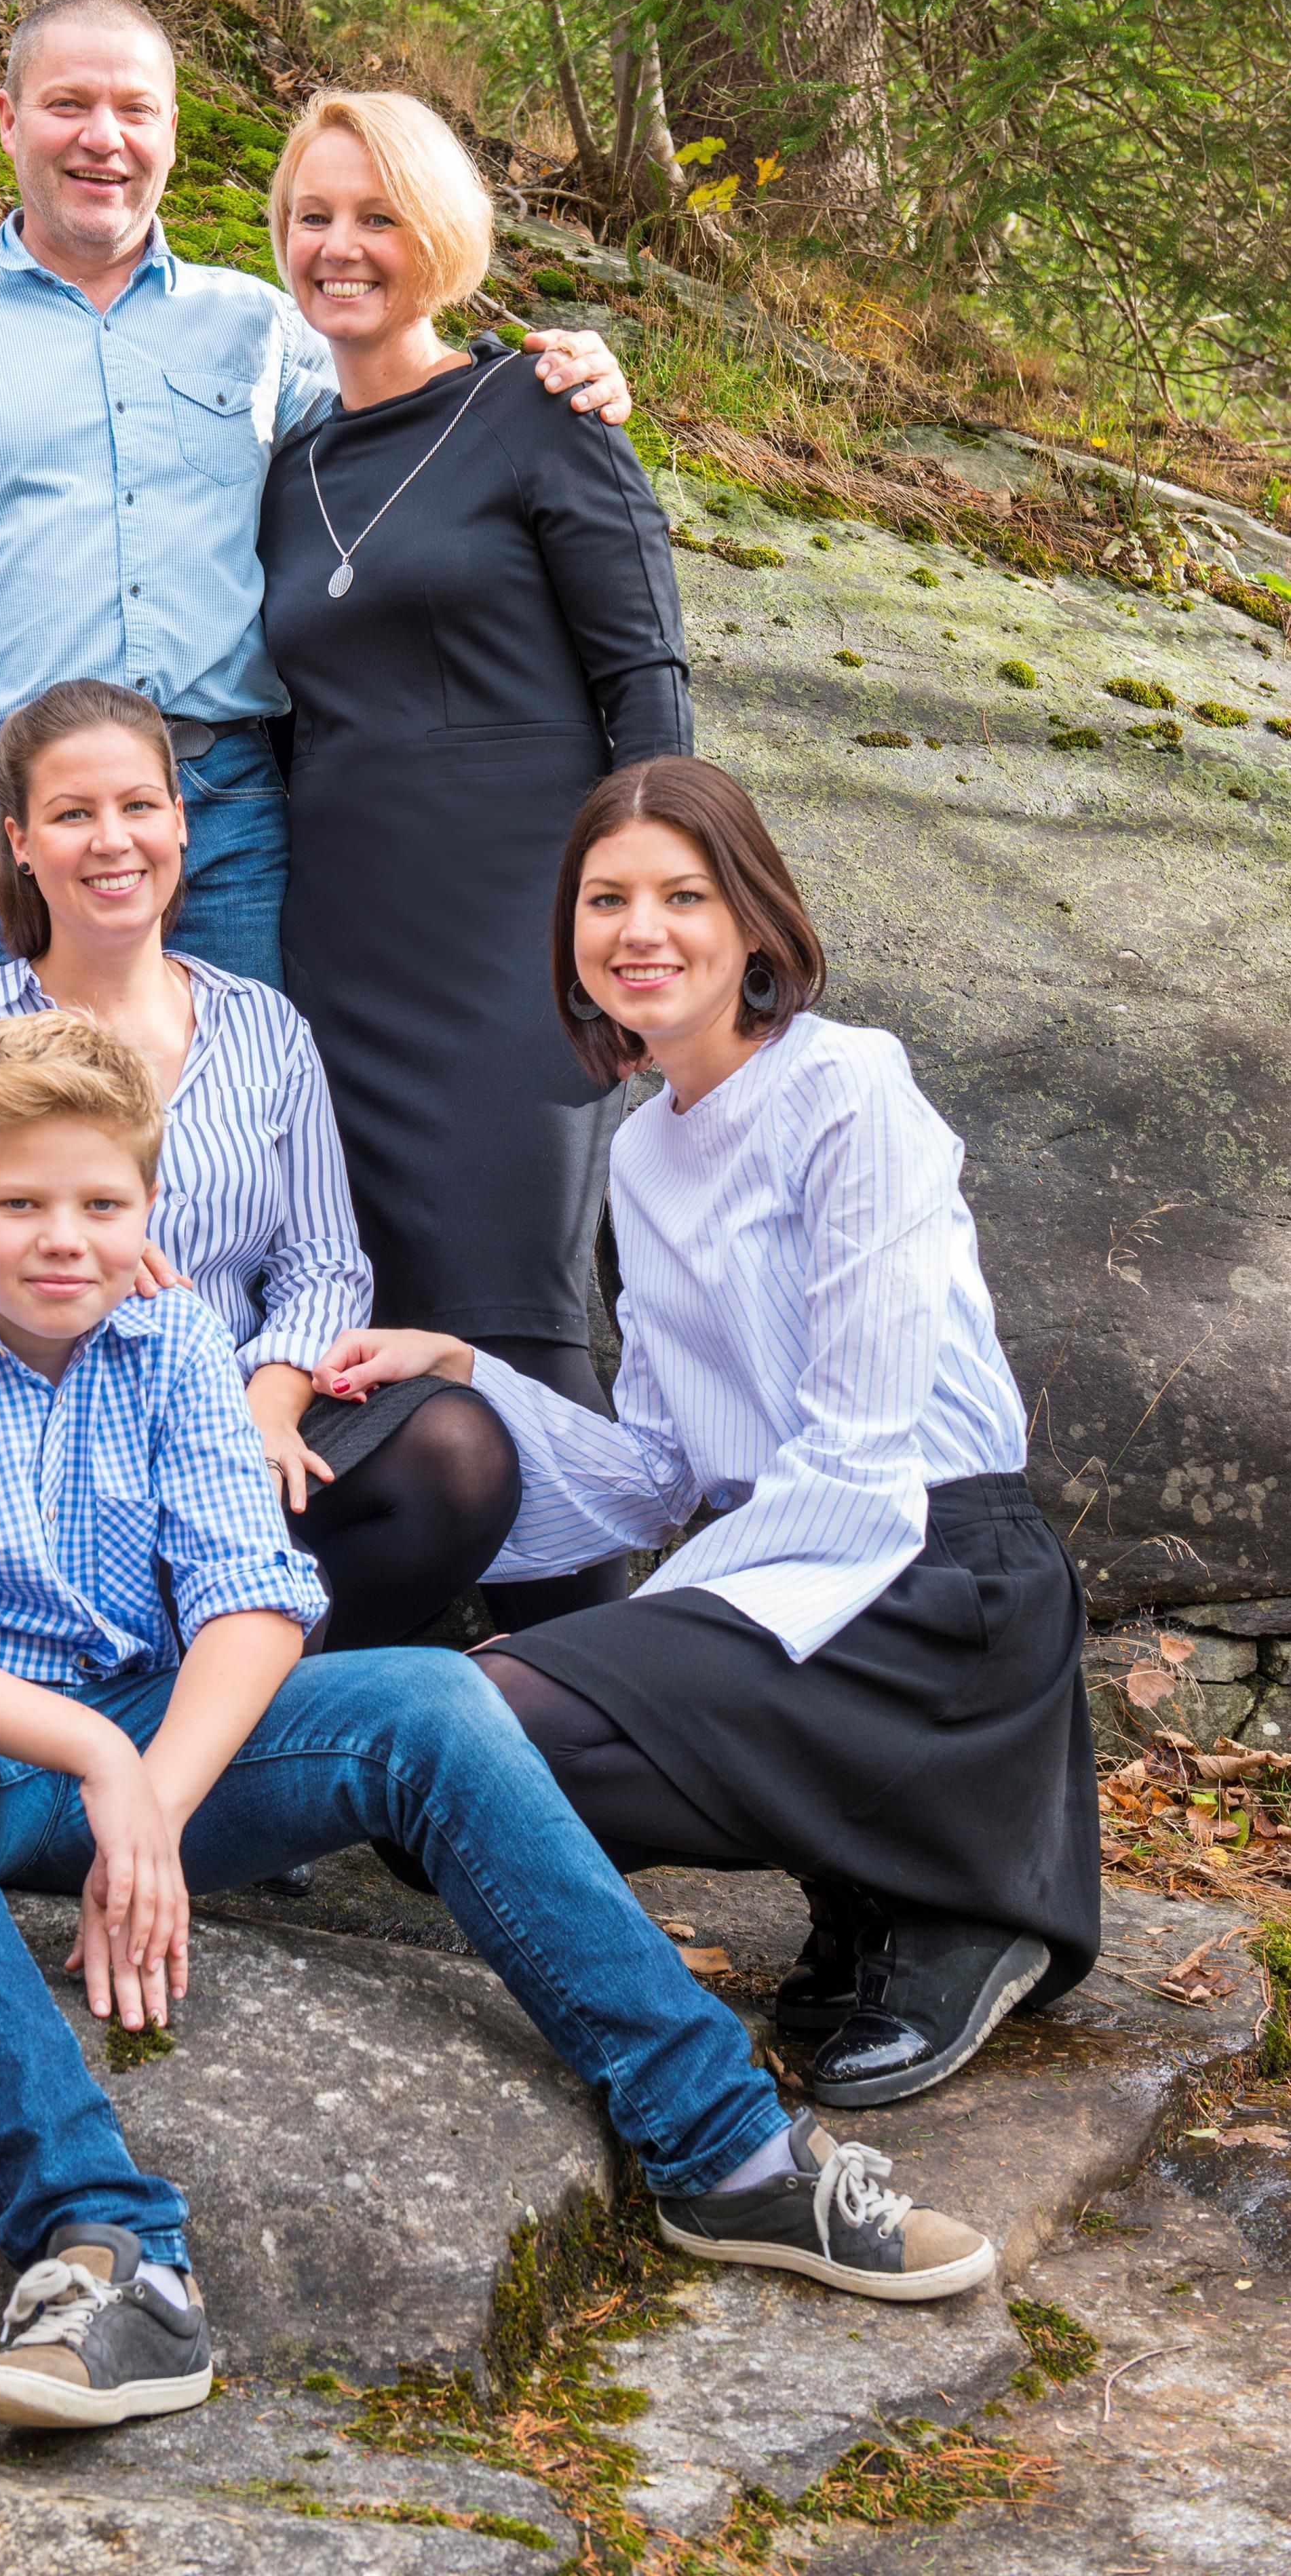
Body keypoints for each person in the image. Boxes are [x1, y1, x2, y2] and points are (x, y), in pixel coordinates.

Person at [0, 1007, 998, 2440]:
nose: (62, 1240)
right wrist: (102, 1763)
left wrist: (156, 1790)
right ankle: (111, 2257)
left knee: (432, 1696)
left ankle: (728, 2155)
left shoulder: (173, 1342)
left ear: (148, 1208)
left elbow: (253, 1601)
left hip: (140, 1743)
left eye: (100, 1205)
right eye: (20, 1204)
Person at [311, 756, 1100, 2111]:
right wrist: (464, 1369)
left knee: (468, 1724)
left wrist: (648, 1638)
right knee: (427, 1777)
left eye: (683, 895)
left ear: (753, 921)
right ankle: (867, 1873)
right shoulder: (643, 1148)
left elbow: (858, 1457)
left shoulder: (849, 1085)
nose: (641, 929)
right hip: (786, 1562)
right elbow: (657, 1471)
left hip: (933, 1575)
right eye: (605, 898)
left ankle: (961, 1905)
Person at [0, 0, 633, 999]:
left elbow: (407, 436)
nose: (103, 138)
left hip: (228, 817)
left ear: (172, 132)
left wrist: (538, 377)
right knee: (15, 1105)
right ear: (9, 120)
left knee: (242, 1100)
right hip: (1, 821)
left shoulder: (263, 327)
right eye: (68, 104)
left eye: (135, 110)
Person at [257, 92, 692, 1633]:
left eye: (377, 215)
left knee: (519, 1316)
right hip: (342, 952)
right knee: (372, 1335)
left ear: (439, 235)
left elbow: (647, 686)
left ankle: (588, 1694)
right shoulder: (292, 464)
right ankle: (399, 1688)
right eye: (314, 216)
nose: (341, 246)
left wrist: (640, 936)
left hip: (518, 947)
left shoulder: (537, 408)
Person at [0, 676, 520, 1650]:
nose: (112, 840)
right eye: (72, 814)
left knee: (456, 1453)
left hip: (241, 1408)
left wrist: (267, 1405)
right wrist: (88, 1263)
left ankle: (246, 1688)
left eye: (138, 805)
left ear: (181, 821)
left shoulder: (264, 1025)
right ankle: (166, 1679)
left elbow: (322, 1262)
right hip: (46, 1431)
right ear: (18, 840)